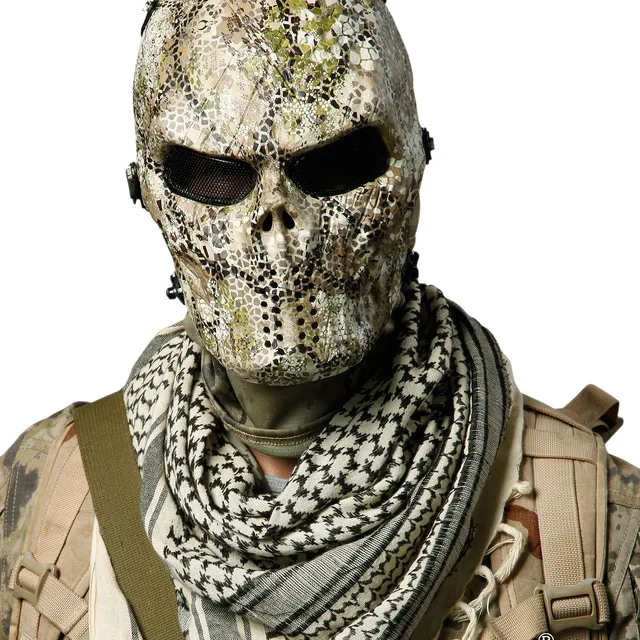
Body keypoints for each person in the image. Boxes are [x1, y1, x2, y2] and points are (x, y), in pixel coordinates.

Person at [0, 1, 638, 639]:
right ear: (147, 192)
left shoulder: (591, 524)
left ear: (415, 164)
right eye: (219, 176)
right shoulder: (50, 500)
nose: (277, 223)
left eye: (332, 165)